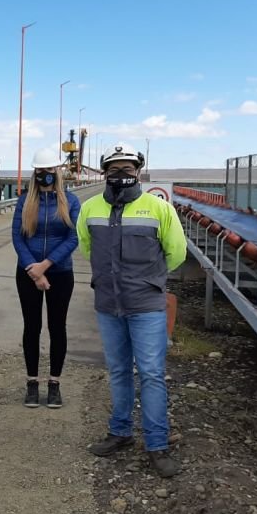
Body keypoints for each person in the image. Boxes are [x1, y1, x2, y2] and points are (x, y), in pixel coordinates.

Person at [76, 143, 187, 478]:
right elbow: (86, 247)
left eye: (127, 168)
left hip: (146, 305)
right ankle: (120, 432)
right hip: (109, 305)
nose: (120, 174)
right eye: (113, 168)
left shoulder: (158, 208)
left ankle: (157, 445)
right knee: (120, 371)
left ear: (138, 171)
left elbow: (176, 253)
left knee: (151, 374)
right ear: (104, 172)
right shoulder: (90, 208)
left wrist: (147, 280)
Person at [11, 148, 80, 409]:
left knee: (57, 327)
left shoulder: (71, 201)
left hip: (60, 272)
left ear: (58, 172)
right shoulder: (25, 200)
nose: (45, 175)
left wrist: (46, 265)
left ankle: (54, 384)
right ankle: (32, 383)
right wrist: (32, 268)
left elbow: (73, 237)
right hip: (27, 273)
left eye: (49, 171)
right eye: (40, 172)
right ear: (35, 173)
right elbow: (18, 236)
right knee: (32, 327)